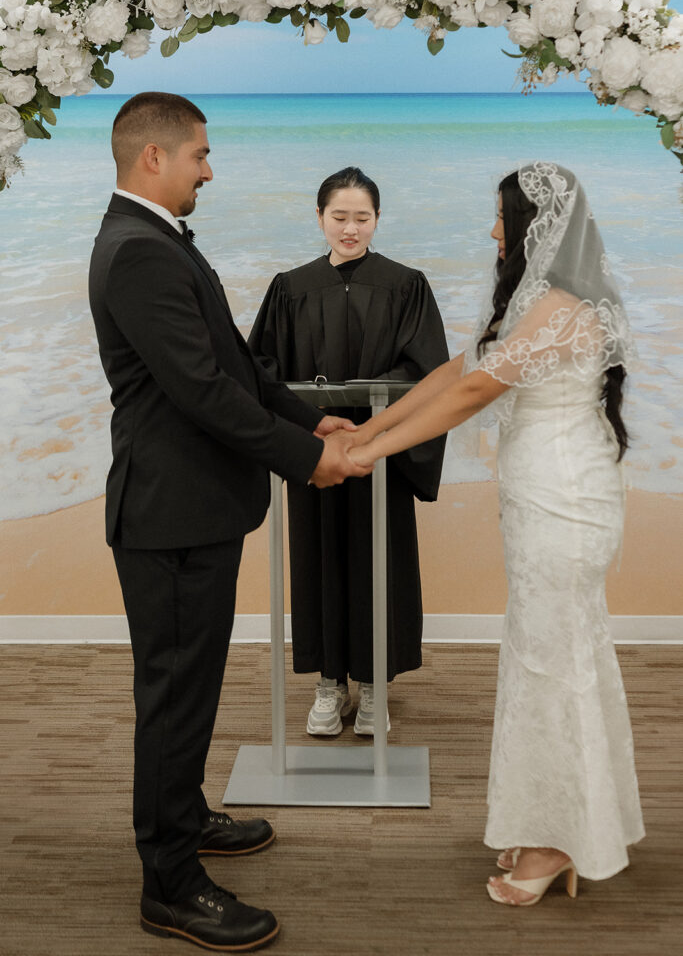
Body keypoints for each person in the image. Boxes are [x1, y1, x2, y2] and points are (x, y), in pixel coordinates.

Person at [88, 93, 369, 952]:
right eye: (200, 155)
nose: (210, 169)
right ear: (153, 159)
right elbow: (200, 392)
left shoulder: (157, 239)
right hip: (168, 511)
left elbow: (236, 363)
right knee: (173, 698)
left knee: (192, 686)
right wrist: (304, 458)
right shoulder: (136, 252)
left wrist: (301, 419)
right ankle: (169, 886)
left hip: (196, 505)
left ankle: (183, 817)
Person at [345, 162, 645, 904]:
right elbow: (457, 370)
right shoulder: (538, 302)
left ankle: (553, 843)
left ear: (537, 228)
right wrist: (367, 429)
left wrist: (363, 458)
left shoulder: (563, 305)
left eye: (501, 219)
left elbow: (479, 391)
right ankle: (561, 822)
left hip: (563, 498)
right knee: (546, 650)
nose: (492, 231)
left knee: (553, 658)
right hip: (541, 493)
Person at [248, 167, 449, 736]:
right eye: (339, 217)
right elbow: (260, 370)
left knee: (376, 562)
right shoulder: (289, 288)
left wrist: (369, 432)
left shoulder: (407, 285)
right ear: (319, 218)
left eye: (362, 217)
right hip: (314, 451)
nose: (350, 228)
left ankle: (374, 688)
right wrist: (309, 427)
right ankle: (328, 684)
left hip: (382, 451)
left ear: (377, 220)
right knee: (317, 562)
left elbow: (426, 372)